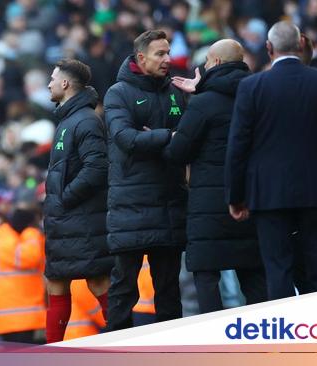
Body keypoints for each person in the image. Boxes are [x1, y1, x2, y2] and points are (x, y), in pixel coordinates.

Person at [225, 21, 317, 300]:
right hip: (316, 191)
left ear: (268, 48)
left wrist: (236, 195)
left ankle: (285, 339)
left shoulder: (251, 87)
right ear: (301, 45)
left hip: (268, 194)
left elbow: (238, 147)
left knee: (278, 271)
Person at [163, 39, 267, 313]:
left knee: (207, 281)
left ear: (217, 63)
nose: (204, 68)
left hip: (208, 209)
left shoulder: (203, 103)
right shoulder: (259, 97)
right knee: (256, 282)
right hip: (251, 202)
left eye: (207, 63)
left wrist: (162, 137)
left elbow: (178, 152)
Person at [103, 30, 187, 331]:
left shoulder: (176, 92)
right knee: (124, 291)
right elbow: (126, 138)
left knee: (169, 293)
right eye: (160, 54)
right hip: (131, 208)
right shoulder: (118, 92)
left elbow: (189, 141)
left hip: (169, 204)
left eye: (168, 52)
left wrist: (152, 137)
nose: (168, 59)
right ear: (141, 58)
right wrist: (168, 136)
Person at [43, 59, 113, 343]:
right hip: (65, 221)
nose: (48, 83)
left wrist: (65, 198)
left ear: (65, 84)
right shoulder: (67, 120)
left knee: (98, 281)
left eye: (52, 78)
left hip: (79, 219)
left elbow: (97, 167)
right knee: (56, 284)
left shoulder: (85, 120)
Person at [0, 208, 46, 344]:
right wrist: (32, 233)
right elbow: (30, 257)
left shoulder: (6, 240)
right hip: (20, 317)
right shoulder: (6, 241)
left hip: (15, 317)